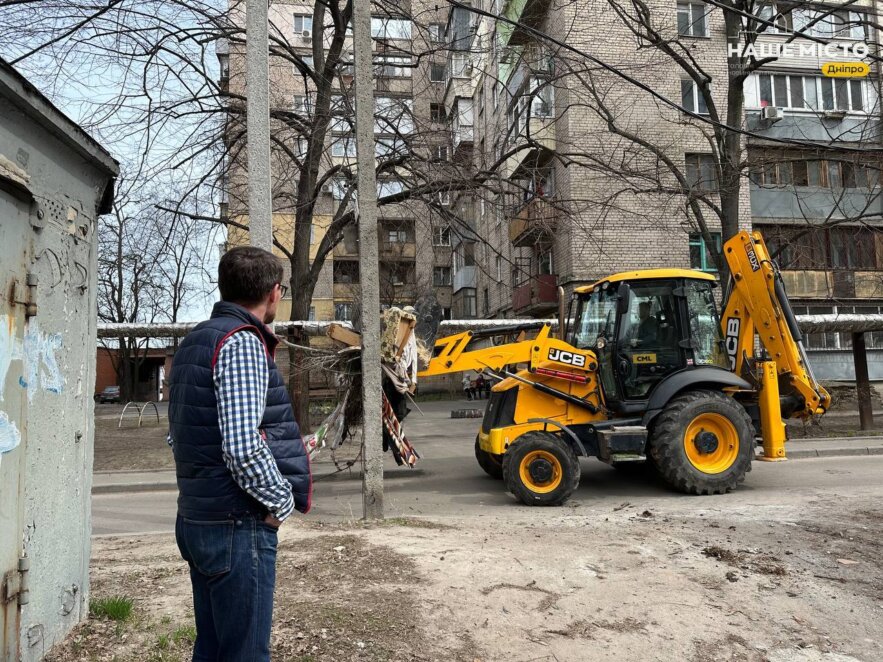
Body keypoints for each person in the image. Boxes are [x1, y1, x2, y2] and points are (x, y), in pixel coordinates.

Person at [167, 246, 312, 661]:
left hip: (197, 518)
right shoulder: (242, 343)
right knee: (244, 654)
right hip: (236, 525)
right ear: (274, 293)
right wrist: (280, 502)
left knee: (212, 650)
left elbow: (177, 436)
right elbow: (242, 446)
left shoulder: (194, 342)